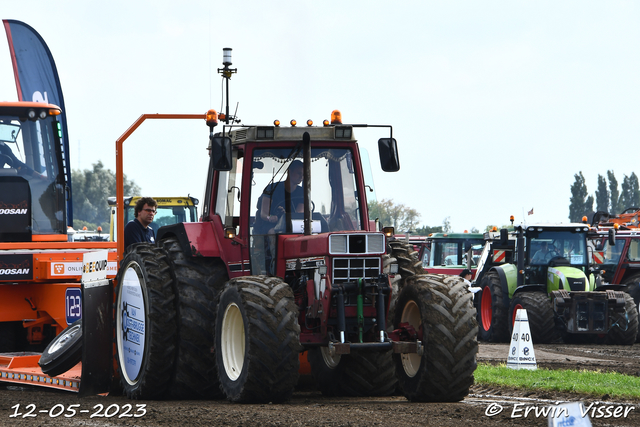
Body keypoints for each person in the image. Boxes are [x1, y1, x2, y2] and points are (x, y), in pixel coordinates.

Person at [254, 160, 304, 234]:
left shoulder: (302, 192)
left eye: (303, 174)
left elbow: (298, 214)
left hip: (291, 225)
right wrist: (271, 217)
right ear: (289, 172)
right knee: (274, 233)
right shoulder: (271, 188)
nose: (301, 177)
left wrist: (285, 215)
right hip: (270, 225)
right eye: (299, 173)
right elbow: (264, 214)